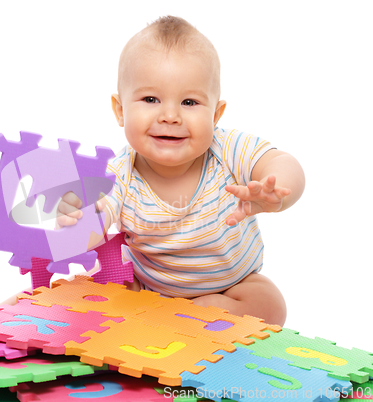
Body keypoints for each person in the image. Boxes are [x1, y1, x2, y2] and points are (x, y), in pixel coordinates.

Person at [56, 16, 305, 326]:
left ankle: (193, 317)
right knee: (94, 291)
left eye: (189, 102)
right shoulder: (118, 173)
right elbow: (99, 220)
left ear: (215, 114)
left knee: (269, 303)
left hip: (233, 286)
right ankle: (6, 315)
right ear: (121, 110)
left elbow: (281, 162)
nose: (170, 115)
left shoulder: (227, 149)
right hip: (149, 291)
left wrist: (276, 191)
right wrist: (79, 217)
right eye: (150, 99)